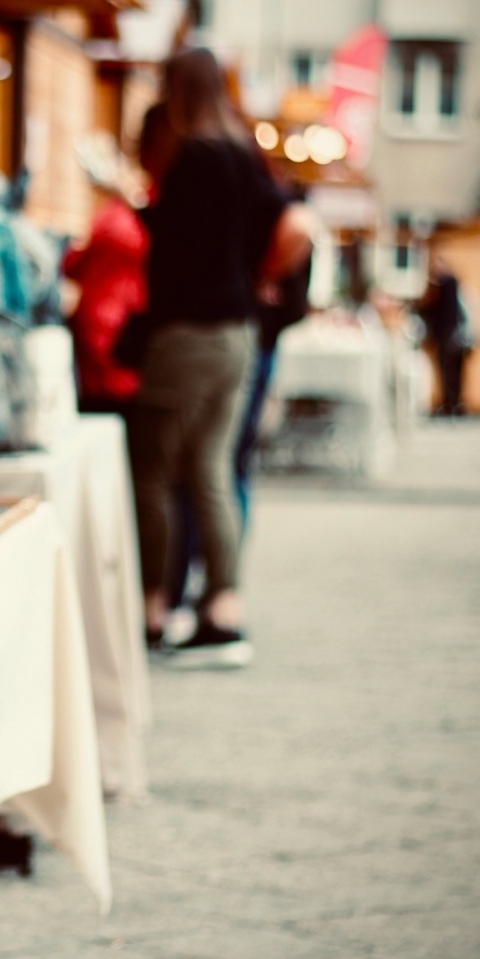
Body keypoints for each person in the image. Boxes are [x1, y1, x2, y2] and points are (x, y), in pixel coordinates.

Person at [129, 49, 313, 668]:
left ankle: (155, 611)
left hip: (187, 332)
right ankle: (223, 612)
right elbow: (299, 225)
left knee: (154, 471)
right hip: (239, 332)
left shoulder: (192, 158)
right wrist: (257, 277)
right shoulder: (244, 154)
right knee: (210, 468)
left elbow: (169, 249)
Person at [64, 136, 150, 413]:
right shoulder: (125, 213)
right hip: (116, 319)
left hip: (107, 320)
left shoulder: (116, 214)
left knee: (106, 402)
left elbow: (72, 265)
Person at [418, 254, 473, 416]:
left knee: (449, 373)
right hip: (455, 336)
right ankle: (454, 404)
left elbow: (444, 313)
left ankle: (452, 404)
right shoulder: (451, 284)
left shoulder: (446, 284)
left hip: (449, 336)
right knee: (453, 373)